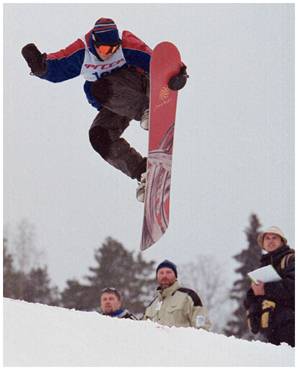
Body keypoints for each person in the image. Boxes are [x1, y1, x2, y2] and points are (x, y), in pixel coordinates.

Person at [21, 17, 188, 202]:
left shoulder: (126, 45)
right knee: (98, 135)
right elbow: (59, 65)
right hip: (118, 103)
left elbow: (153, 58)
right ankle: (143, 171)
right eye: (104, 49)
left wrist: (178, 73)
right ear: (94, 44)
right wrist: (40, 67)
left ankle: (147, 109)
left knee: (100, 86)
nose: (110, 53)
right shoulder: (82, 52)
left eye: (113, 48)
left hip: (140, 89)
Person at [244, 226, 295, 347]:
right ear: (262, 243)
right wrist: (253, 294)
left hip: (291, 325)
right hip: (269, 329)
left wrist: (265, 289)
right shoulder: (263, 267)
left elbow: (293, 286)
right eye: (267, 238)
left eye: (274, 238)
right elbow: (250, 301)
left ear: (282, 241)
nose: (270, 241)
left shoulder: (291, 260)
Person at [143, 260, 211, 329]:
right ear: (157, 277)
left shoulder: (188, 297)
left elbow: (202, 327)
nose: (164, 276)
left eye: (168, 272)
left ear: (175, 276)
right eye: (161, 273)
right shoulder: (152, 305)